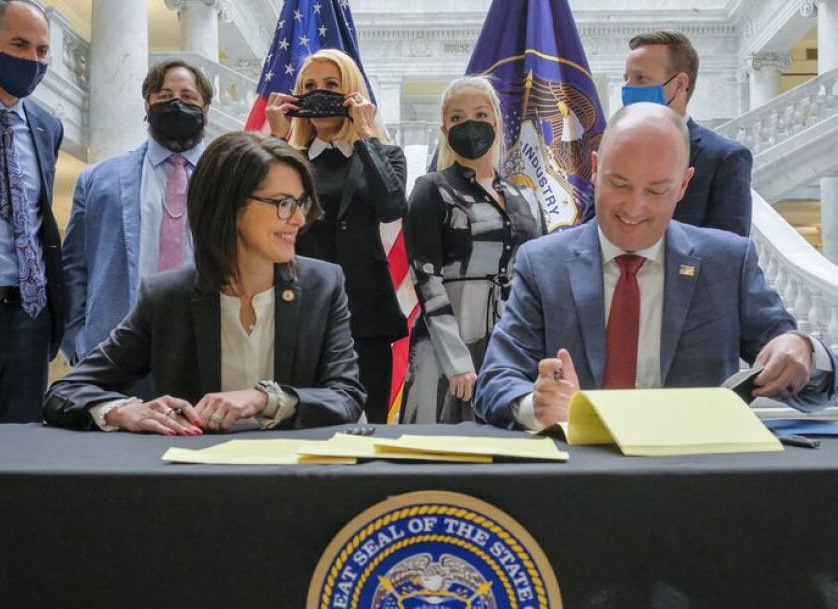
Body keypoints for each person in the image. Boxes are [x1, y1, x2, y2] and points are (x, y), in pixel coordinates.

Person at [475, 103, 837, 431]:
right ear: (597, 169)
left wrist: (804, 350)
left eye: (656, 191)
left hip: (696, 482)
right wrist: (535, 406)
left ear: (683, 185)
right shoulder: (543, 263)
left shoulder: (727, 263)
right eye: (619, 184)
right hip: (577, 483)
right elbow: (495, 380)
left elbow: (809, 391)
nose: (633, 208)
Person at [43, 132, 365, 433]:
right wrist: (121, 410)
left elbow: (347, 396)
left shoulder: (323, 286)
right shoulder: (167, 297)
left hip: (296, 479)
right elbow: (65, 392)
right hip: (195, 482)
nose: (298, 219)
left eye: (301, 202)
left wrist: (264, 398)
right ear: (228, 206)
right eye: (283, 203)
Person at [265, 49, 407, 424]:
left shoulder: (382, 153)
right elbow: (262, 211)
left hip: (366, 311)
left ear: (352, 93)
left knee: (368, 422)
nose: (320, 93)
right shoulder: (289, 156)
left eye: (332, 85)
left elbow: (391, 205)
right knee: (300, 419)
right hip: (299, 304)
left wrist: (364, 135)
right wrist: (278, 139)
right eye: (309, 86)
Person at [400, 76, 546, 424]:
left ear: (496, 120)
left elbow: (538, 275)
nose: (470, 124)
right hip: (447, 349)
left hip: (511, 346)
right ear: (444, 128)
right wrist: (457, 361)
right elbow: (427, 280)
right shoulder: (431, 189)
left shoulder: (525, 196)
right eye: (457, 118)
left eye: (481, 114)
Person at [61, 60, 212, 369]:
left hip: (202, 350)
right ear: (148, 103)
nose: (176, 104)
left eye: (187, 97)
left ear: (205, 108)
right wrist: (78, 342)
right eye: (165, 95)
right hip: (115, 350)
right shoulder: (98, 179)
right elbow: (74, 269)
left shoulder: (229, 177)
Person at [0, 0, 64, 423]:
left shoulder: (47, 125)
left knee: (19, 454)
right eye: (19, 45)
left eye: (42, 51)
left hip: (30, 320)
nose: (33, 61)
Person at [622, 30, 752, 237]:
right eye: (626, 78)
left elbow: (729, 253)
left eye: (640, 78)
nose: (627, 88)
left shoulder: (725, 159)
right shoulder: (610, 152)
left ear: (679, 84)